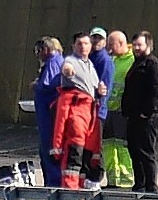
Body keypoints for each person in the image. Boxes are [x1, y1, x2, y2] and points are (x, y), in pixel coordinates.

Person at [51, 33, 101, 191]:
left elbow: (92, 87)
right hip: (77, 110)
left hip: (89, 112)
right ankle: (69, 189)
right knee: (75, 149)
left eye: (86, 43)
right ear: (73, 46)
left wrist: (100, 90)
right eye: (79, 44)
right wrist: (67, 71)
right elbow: (66, 68)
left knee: (86, 151)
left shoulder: (90, 65)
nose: (83, 46)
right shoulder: (70, 61)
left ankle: (80, 188)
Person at [121, 31, 158, 194]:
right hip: (134, 116)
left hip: (148, 117)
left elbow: (157, 91)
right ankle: (139, 184)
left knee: (146, 152)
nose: (136, 48)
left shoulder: (153, 65)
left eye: (140, 45)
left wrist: (146, 113)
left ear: (148, 45)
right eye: (134, 45)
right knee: (134, 150)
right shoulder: (136, 63)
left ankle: (151, 186)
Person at [102, 31, 135, 189]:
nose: (108, 48)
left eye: (111, 44)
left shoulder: (132, 60)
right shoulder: (112, 60)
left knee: (123, 147)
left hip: (123, 112)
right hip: (109, 111)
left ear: (120, 43)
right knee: (109, 146)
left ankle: (126, 179)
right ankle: (113, 179)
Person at [31, 37, 64, 187]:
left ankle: (53, 185)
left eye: (38, 52)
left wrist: (36, 85)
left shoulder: (53, 63)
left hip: (49, 118)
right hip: (47, 116)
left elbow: (46, 85)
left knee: (51, 150)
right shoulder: (56, 62)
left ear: (45, 50)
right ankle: (51, 183)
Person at [86, 26, 113, 188]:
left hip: (97, 111)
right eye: (94, 38)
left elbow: (104, 88)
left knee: (96, 144)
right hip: (87, 110)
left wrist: (98, 108)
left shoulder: (104, 61)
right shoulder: (89, 58)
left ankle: (96, 176)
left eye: (99, 38)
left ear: (104, 42)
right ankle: (89, 174)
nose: (96, 41)